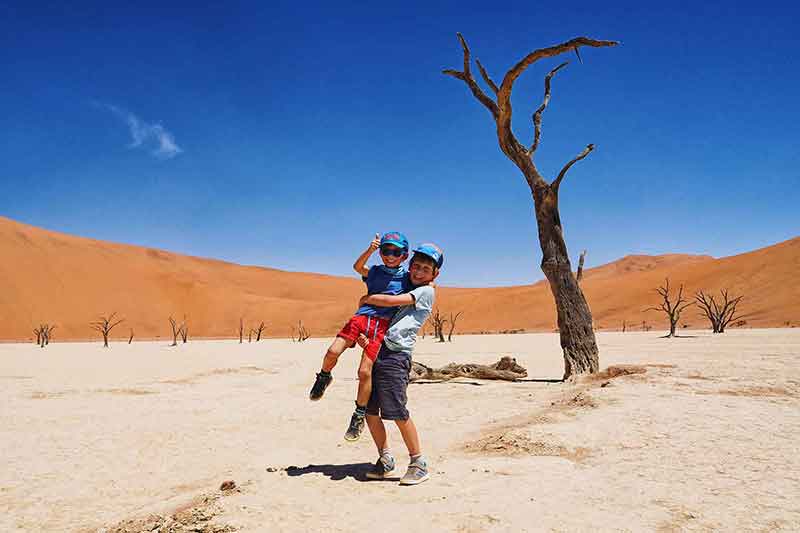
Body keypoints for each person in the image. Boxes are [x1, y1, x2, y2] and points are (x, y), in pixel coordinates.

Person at [308, 231, 410, 442]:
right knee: (332, 351)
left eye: (396, 252)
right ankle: (324, 377)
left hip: (381, 327)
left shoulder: (407, 278)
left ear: (404, 255)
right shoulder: (375, 271)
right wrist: (370, 250)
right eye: (386, 251)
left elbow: (423, 288)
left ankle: (359, 414)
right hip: (361, 318)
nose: (390, 255)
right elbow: (357, 268)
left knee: (364, 372)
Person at [355, 243, 443, 486]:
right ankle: (385, 460)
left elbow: (392, 302)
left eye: (426, 269)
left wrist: (368, 298)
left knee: (397, 411)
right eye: (415, 266)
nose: (418, 272)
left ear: (434, 274)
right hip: (378, 350)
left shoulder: (425, 292)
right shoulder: (406, 283)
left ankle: (418, 463)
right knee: (370, 411)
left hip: (396, 356)